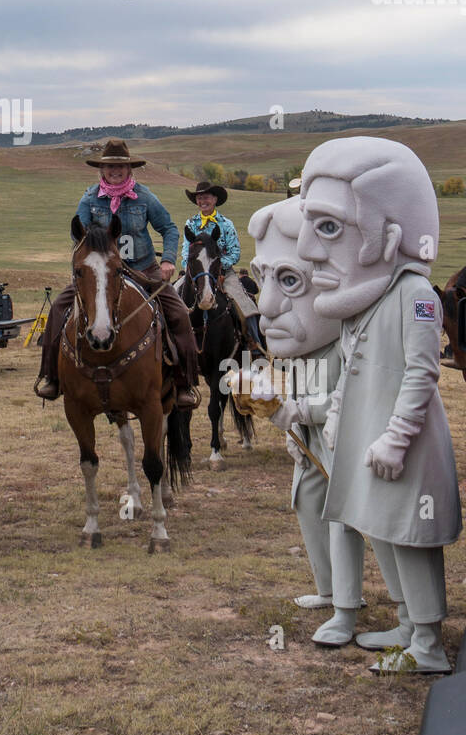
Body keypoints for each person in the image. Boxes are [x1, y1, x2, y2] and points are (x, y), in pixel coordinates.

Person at [298, 137, 461, 672]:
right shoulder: (373, 299)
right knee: (386, 531)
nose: (309, 249)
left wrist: (395, 437)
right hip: (370, 438)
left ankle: (427, 648)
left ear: (388, 234)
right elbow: (356, 372)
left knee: (411, 539)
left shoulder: (415, 293)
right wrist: (338, 414)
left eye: (329, 227)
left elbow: (422, 372)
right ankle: (409, 623)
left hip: (404, 446)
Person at [248, 197, 365, 630]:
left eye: (289, 280)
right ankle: (330, 588)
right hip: (310, 440)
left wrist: (292, 411)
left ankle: (352, 606)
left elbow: (342, 398)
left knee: (343, 511)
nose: (267, 304)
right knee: (308, 500)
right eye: (263, 278)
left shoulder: (345, 346)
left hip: (340, 440)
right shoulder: (303, 350)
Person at [34, 138, 200, 407]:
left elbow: (169, 228)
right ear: (102, 169)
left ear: (129, 169)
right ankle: (52, 377)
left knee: (179, 314)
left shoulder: (145, 197)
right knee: (57, 311)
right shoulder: (89, 199)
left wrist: (168, 260)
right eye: (110, 166)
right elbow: (77, 234)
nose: (115, 171)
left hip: (143, 270)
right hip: (101, 274)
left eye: (120, 166)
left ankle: (184, 383)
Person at [180, 182, 265, 355]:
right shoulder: (190, 224)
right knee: (172, 296)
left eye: (207, 197)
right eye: (199, 197)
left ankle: (254, 344)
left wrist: (218, 269)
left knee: (244, 303)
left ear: (215, 199)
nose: (203, 200)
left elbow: (235, 252)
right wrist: (190, 269)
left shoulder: (226, 224)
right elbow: (185, 251)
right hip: (195, 273)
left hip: (223, 273)